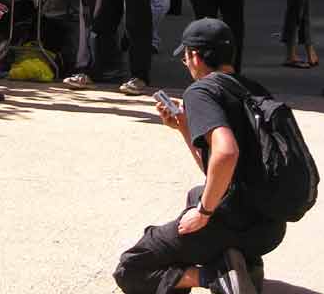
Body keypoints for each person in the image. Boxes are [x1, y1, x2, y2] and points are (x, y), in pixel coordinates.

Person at [113, 18, 286, 294]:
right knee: (197, 193)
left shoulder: (202, 91)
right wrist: (184, 127)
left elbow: (226, 152)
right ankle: (243, 265)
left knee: (132, 268)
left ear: (194, 55)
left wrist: (204, 213)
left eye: (185, 58)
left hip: (235, 217)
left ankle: (212, 276)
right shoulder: (252, 89)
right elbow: (216, 168)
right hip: (268, 228)